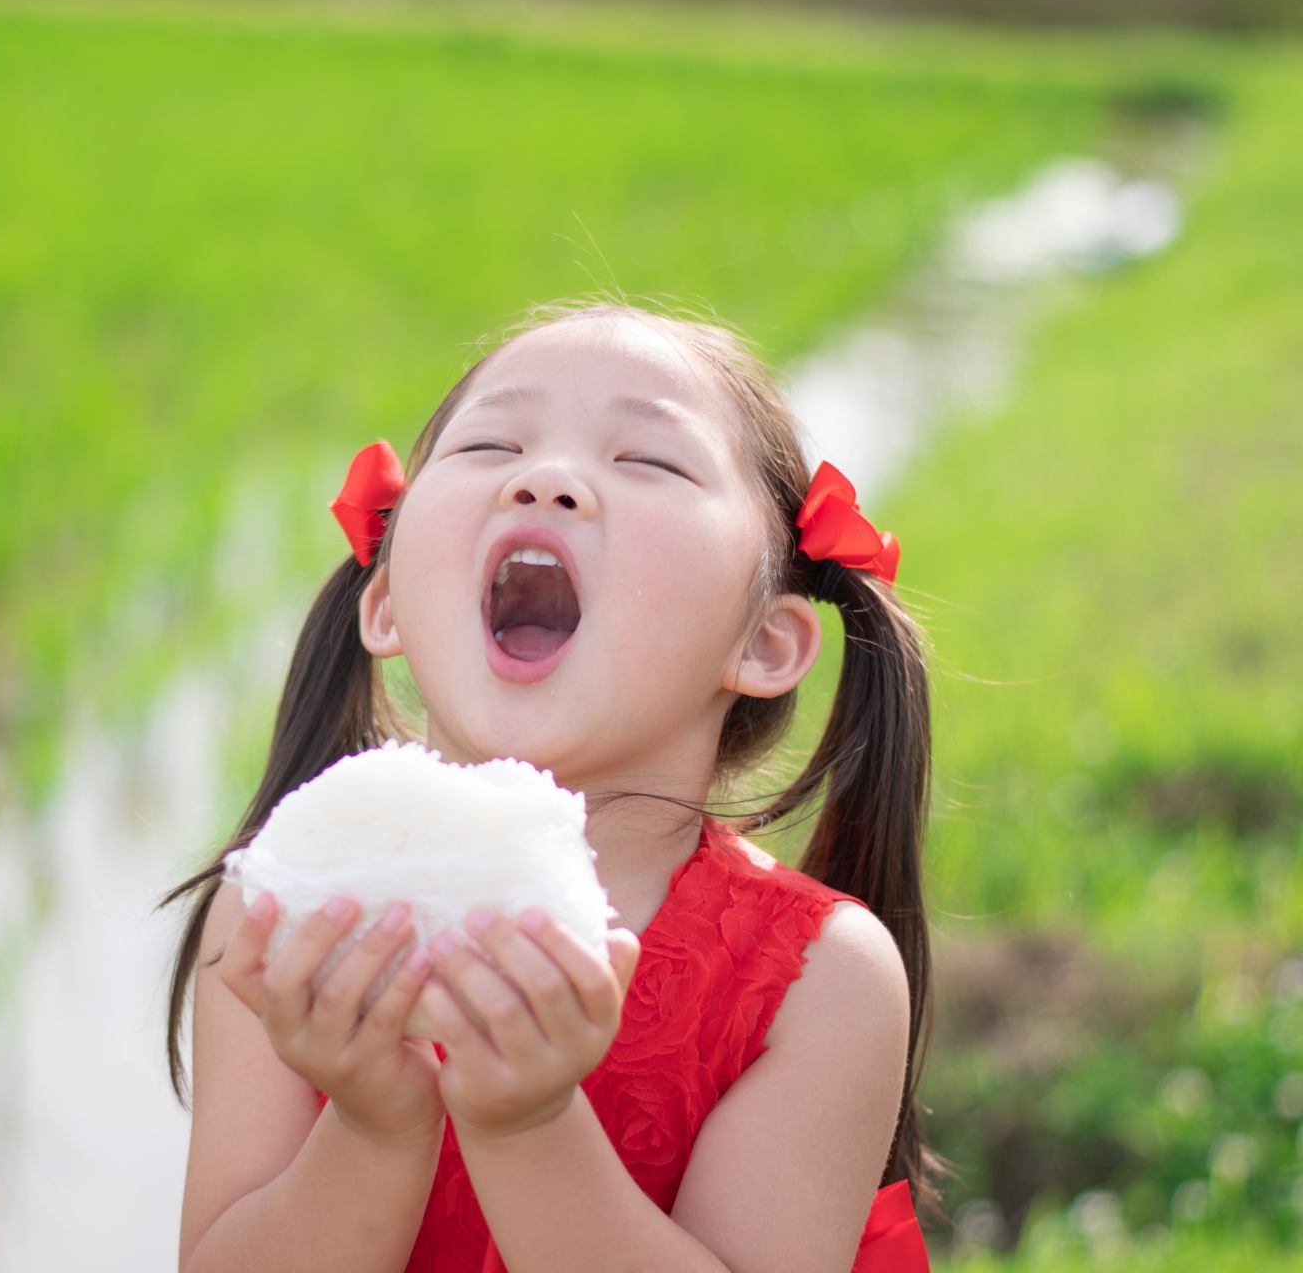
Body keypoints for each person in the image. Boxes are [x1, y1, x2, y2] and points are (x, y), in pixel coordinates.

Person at [162, 302, 934, 1273]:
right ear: (388, 597)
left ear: (765, 640)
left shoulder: (820, 978)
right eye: (491, 443)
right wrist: (371, 1128)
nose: (547, 479)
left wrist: (530, 1126)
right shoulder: (284, 910)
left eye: (648, 461)